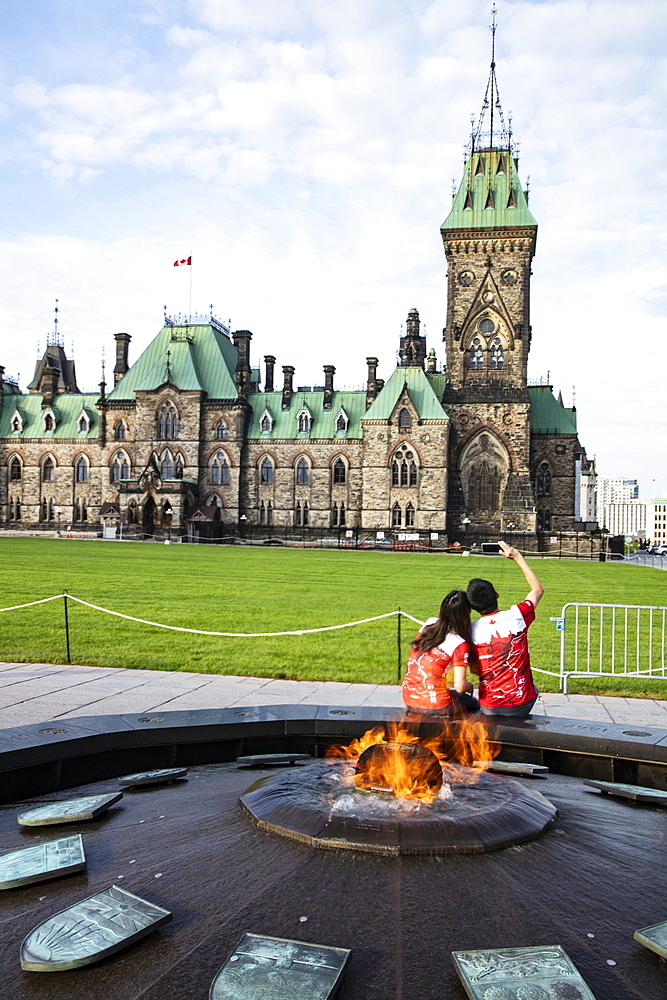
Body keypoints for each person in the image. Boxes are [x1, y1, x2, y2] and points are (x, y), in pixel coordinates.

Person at [466, 540, 544, 717]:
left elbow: (474, 669)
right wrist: (518, 557)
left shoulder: (470, 631)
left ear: (472, 606)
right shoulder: (516, 616)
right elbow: (538, 590)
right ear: (496, 595)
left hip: (489, 705)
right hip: (521, 703)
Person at [402, 589, 479, 715]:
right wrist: (467, 685)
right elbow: (459, 687)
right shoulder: (459, 643)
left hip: (409, 698)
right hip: (436, 704)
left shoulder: (428, 625)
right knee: (472, 702)